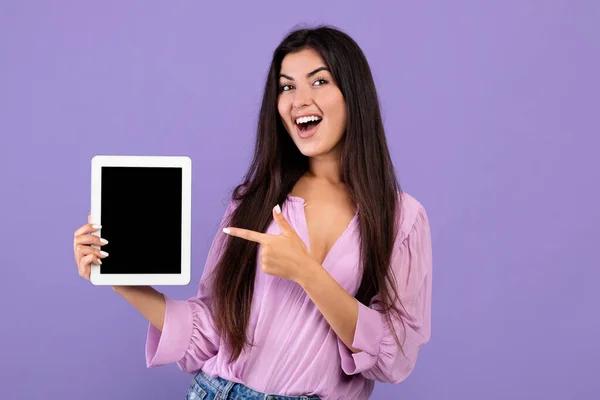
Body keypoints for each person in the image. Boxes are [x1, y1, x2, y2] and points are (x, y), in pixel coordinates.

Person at [72, 25, 432, 400]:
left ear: (353, 94)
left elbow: (394, 355)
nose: (298, 100)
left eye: (319, 82)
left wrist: (308, 273)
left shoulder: (400, 220)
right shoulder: (254, 202)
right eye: (287, 86)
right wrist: (116, 276)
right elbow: (210, 332)